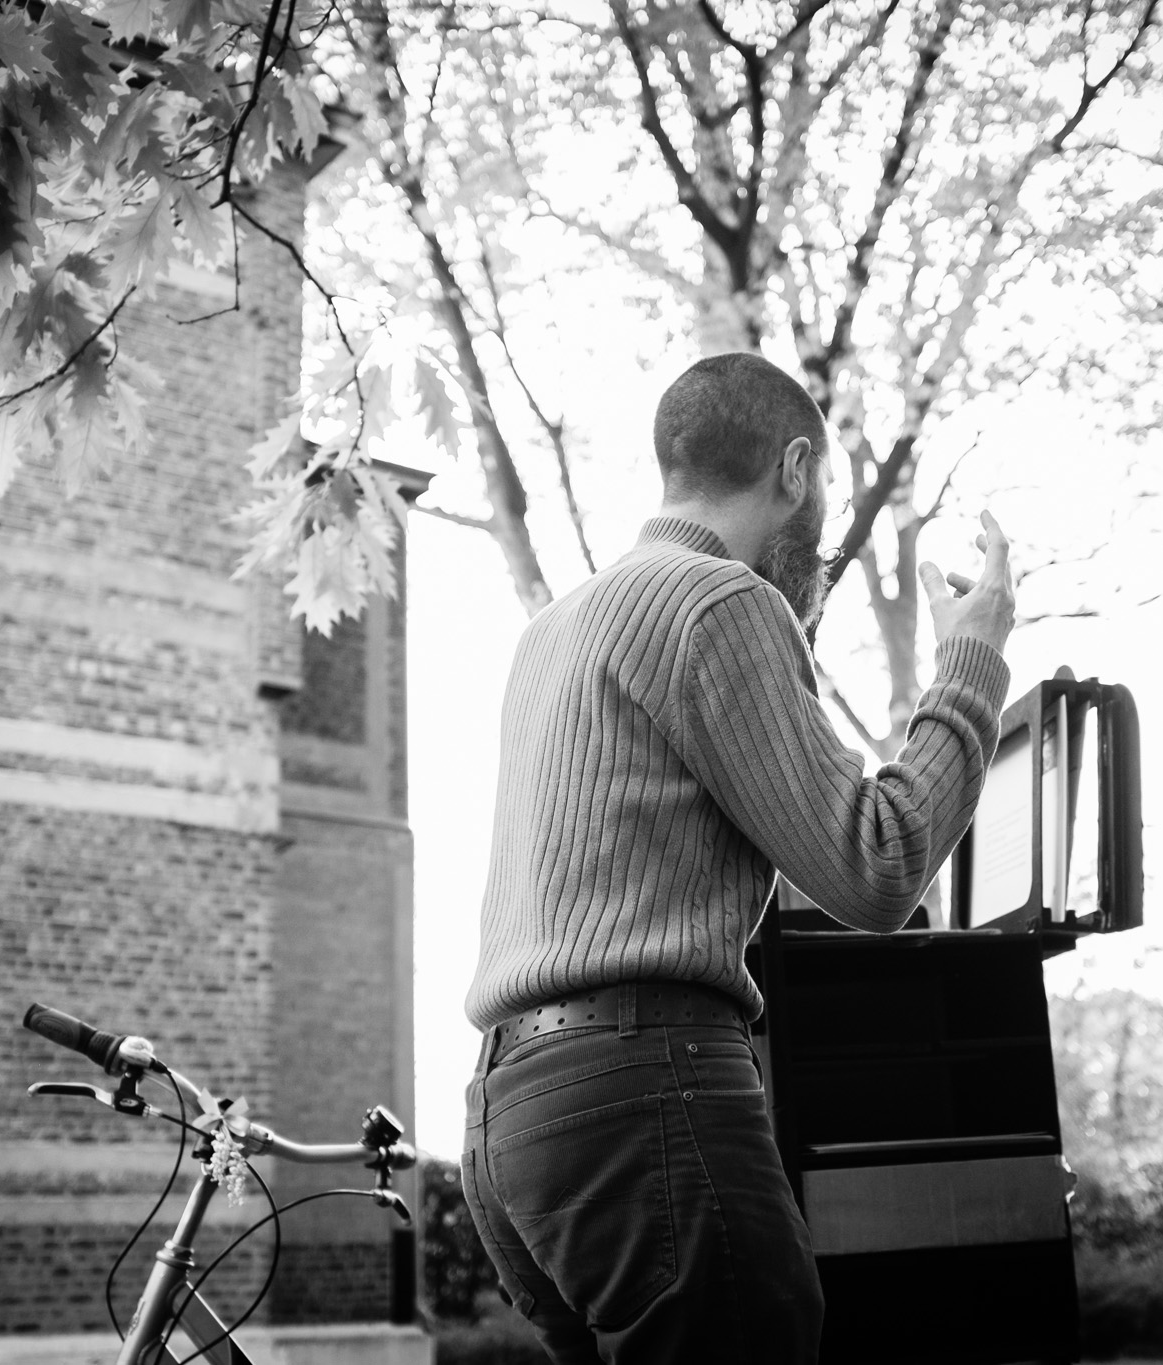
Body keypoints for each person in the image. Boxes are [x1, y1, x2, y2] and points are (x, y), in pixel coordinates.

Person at [459, 352, 1017, 1364]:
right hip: (641, 1092)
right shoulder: (717, 602)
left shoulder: (553, 630)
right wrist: (971, 663)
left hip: (510, 1120)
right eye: (821, 489)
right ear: (794, 469)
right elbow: (876, 866)